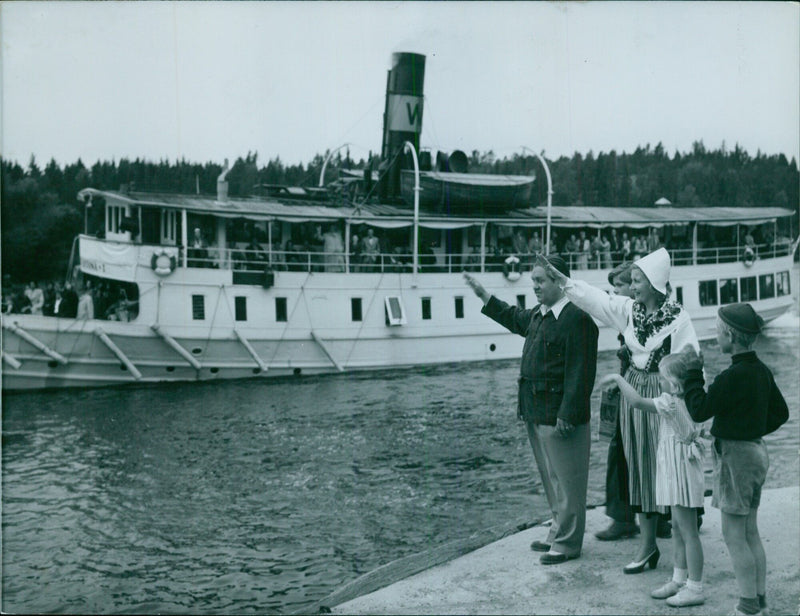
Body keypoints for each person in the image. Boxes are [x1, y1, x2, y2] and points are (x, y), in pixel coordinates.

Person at [537, 247, 699, 574]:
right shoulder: (629, 310)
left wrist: (694, 408)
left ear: (654, 282)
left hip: (662, 395)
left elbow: (692, 361)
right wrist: (565, 282)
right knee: (638, 468)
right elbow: (596, 299)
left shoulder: (679, 319)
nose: (632, 286)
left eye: (637, 280)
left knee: (666, 470)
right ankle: (647, 545)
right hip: (634, 389)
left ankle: (682, 558)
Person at [464, 255, 599, 565]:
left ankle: (568, 543)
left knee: (568, 481)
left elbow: (580, 373)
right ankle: (557, 531)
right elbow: (513, 317)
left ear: (559, 281)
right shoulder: (541, 314)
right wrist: (484, 295)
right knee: (551, 477)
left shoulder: (577, 319)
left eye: (541, 280)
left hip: (560, 415)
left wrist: (569, 413)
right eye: (534, 280)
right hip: (537, 409)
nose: (534, 285)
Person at [683, 303, 789, 616]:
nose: (716, 337)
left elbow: (699, 409)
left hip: (735, 459)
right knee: (750, 532)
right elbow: (781, 413)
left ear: (730, 335)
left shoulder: (731, 376)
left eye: (717, 331)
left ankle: (747, 606)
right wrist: (753, 427)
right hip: (756, 452)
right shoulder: (760, 370)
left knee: (733, 535)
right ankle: (759, 599)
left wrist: (691, 373)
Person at [601, 345, 708, 607]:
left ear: (673, 383)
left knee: (687, 531)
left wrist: (618, 379)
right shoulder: (693, 402)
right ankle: (679, 578)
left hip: (678, 472)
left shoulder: (669, 403)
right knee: (680, 529)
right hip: (681, 470)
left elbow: (636, 401)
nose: (658, 381)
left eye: (662, 378)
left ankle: (695, 586)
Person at [594, 264, 639, 542]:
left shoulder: (635, 319)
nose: (614, 295)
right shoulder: (634, 317)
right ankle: (658, 518)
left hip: (638, 395)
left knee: (621, 454)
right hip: (632, 393)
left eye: (617, 288)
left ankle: (623, 518)